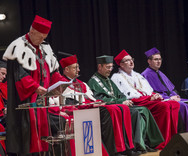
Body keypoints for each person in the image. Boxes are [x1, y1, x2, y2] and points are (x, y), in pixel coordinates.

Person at [3, 15, 66, 155]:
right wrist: (35, 87)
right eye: (40, 37)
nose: (43, 40)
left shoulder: (44, 47)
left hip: (42, 99)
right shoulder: (17, 47)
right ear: (32, 32)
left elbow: (53, 71)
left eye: (45, 37)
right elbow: (19, 75)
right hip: (26, 101)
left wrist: (60, 84)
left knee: (43, 134)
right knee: (28, 134)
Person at [56, 55, 136, 156]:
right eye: (75, 68)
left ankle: (125, 146)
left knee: (122, 107)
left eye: (78, 67)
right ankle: (112, 150)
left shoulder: (82, 83)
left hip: (89, 107)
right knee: (109, 110)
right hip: (77, 110)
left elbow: (92, 98)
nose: (78, 70)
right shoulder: (61, 84)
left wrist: (96, 102)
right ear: (66, 69)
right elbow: (65, 102)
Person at [88, 55, 164, 153]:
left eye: (111, 67)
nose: (110, 70)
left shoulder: (109, 80)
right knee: (135, 112)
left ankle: (145, 143)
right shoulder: (93, 82)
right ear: (100, 67)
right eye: (108, 67)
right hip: (108, 109)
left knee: (144, 110)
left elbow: (121, 94)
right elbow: (99, 99)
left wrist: (124, 101)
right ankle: (132, 146)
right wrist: (120, 102)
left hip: (119, 105)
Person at [109, 50, 180, 150]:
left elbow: (148, 91)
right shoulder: (116, 77)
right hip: (136, 103)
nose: (131, 62)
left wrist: (155, 96)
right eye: (127, 60)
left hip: (147, 100)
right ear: (121, 64)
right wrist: (149, 98)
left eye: (131, 59)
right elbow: (127, 96)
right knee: (164, 106)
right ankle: (162, 141)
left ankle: (172, 139)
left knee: (173, 104)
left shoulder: (137, 75)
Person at [141, 47, 188, 132]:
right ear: (149, 61)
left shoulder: (160, 73)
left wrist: (176, 95)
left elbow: (171, 89)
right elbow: (151, 94)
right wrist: (170, 98)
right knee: (184, 106)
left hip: (171, 97)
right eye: (156, 59)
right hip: (161, 100)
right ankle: (185, 132)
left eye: (160, 59)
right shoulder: (145, 75)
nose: (159, 61)